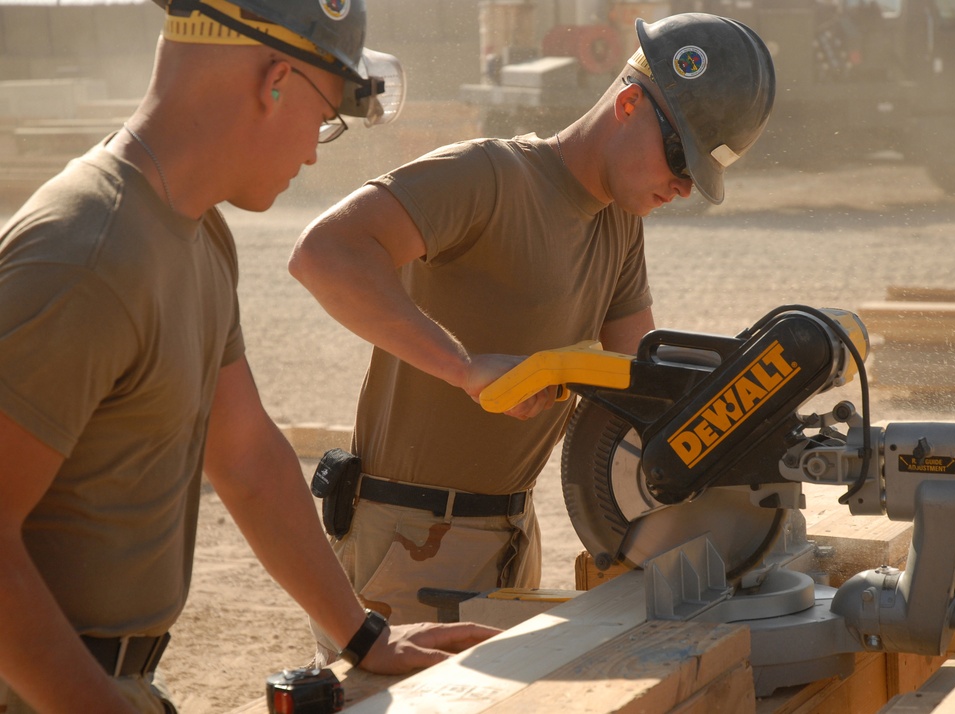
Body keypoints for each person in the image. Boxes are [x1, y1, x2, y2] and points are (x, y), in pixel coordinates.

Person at [0, 1, 499, 712]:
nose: (315, 150)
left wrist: (362, 637)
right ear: (276, 80)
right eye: (326, 113)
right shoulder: (88, 254)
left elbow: (244, 454)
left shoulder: (196, 236)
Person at [288, 11, 776, 644]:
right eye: (680, 156)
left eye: (696, 177)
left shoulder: (617, 226)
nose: (683, 187)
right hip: (404, 537)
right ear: (630, 103)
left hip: (512, 532)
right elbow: (324, 254)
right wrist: (464, 368)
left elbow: (639, 392)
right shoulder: (489, 177)